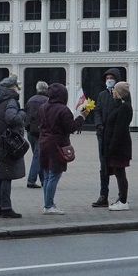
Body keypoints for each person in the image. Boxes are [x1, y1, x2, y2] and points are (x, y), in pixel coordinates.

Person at [38, 83, 88, 214]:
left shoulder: (43, 107)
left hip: (44, 143)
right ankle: (49, 205)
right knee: (54, 174)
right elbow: (71, 127)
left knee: (47, 175)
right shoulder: (63, 110)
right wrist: (82, 117)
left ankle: (47, 203)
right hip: (57, 145)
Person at [0, 74, 27, 218]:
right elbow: (11, 118)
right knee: (6, 176)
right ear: (11, 88)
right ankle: (6, 209)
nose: (18, 89)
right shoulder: (11, 101)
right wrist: (22, 114)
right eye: (16, 87)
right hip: (9, 143)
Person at [92, 67, 122, 207]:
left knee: (118, 166)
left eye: (112, 78)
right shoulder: (102, 95)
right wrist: (98, 125)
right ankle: (103, 196)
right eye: (107, 78)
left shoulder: (122, 95)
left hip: (116, 136)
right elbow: (97, 110)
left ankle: (122, 197)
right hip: (102, 135)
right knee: (103, 167)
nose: (109, 80)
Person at [103, 81, 134, 211]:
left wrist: (111, 147)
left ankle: (123, 201)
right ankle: (121, 198)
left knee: (120, 172)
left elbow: (119, 130)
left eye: (115, 90)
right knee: (118, 172)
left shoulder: (124, 108)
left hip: (119, 146)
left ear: (120, 93)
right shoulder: (119, 106)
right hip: (116, 145)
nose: (113, 92)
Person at [25, 81, 49, 189]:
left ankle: (43, 180)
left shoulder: (30, 100)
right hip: (41, 132)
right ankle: (31, 180)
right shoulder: (47, 101)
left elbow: (26, 115)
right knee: (38, 156)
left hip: (31, 132)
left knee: (38, 155)